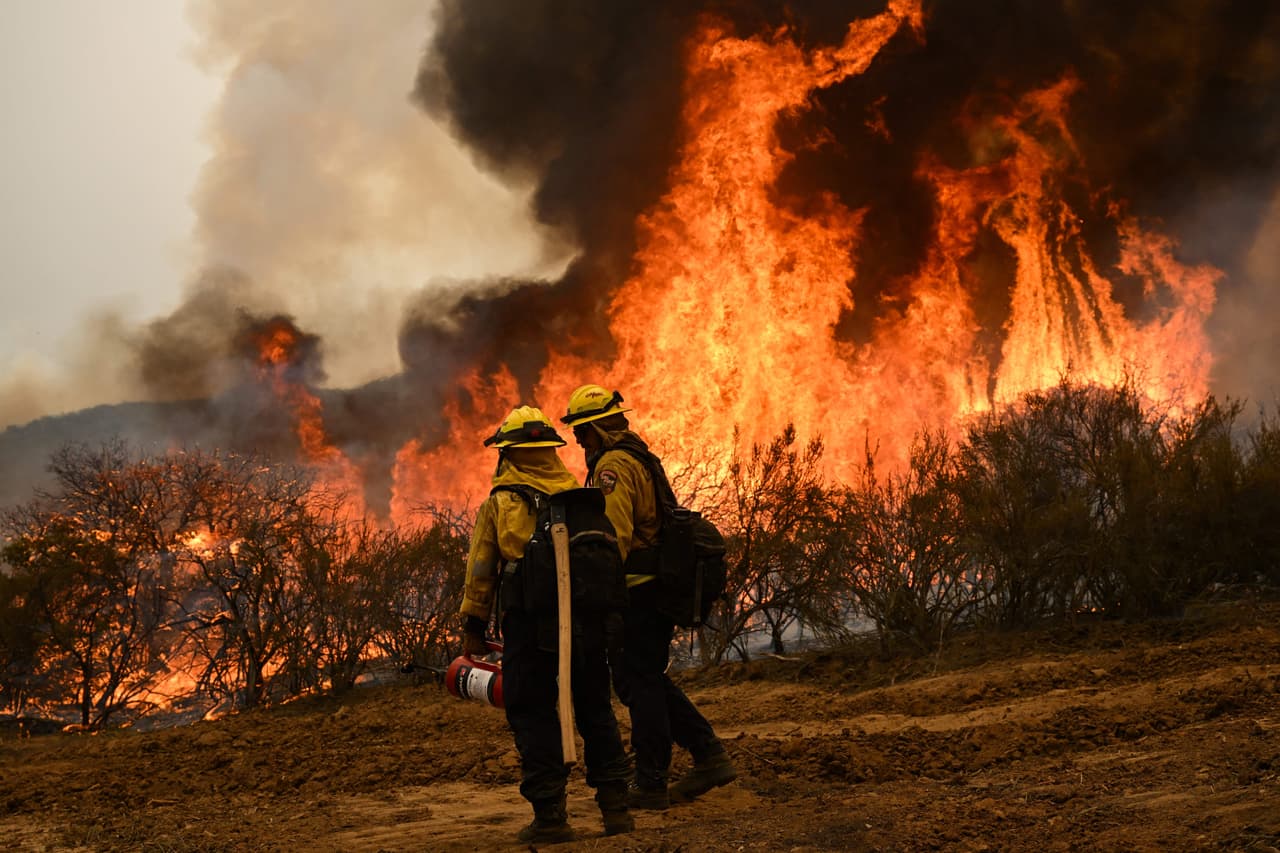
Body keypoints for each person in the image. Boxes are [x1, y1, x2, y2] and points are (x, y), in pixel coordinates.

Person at [459, 405, 633, 843]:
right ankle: (617, 810)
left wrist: (473, 625)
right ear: (550, 452)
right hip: (587, 621)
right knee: (595, 707)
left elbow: (481, 569)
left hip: (530, 624)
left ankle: (551, 817)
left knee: (532, 711)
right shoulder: (580, 499)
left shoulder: (502, 502)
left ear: (508, 454)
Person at [559, 385, 737, 810]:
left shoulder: (614, 466)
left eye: (581, 432)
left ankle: (652, 780)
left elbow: (614, 538)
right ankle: (708, 754)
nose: (580, 442)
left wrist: (600, 595)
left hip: (637, 592)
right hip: (654, 588)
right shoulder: (639, 455)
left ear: (598, 428)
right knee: (644, 678)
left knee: (639, 683)